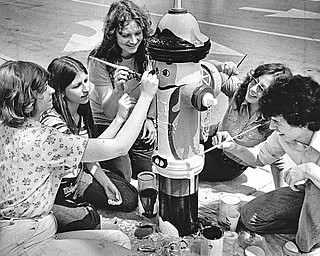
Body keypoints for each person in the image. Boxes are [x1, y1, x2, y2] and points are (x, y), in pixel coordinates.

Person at [0, 60, 158, 255]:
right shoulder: (45, 138)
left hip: (25, 233)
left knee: (120, 240)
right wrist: (146, 96)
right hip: (27, 241)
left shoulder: (6, 127)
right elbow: (119, 146)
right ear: (27, 99)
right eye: (43, 88)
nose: (51, 90)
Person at [212, 75, 320, 255]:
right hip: (309, 191)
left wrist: (309, 170)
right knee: (250, 217)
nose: (272, 126)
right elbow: (259, 157)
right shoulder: (283, 134)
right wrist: (232, 146)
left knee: (315, 191)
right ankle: (309, 224)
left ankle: (308, 243)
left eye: (278, 122)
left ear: (303, 122)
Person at [40, 56, 138, 233]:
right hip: (55, 192)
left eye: (86, 80)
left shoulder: (80, 110)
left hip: (77, 179)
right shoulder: (53, 122)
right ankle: (66, 212)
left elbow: (88, 159)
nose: (86, 89)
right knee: (90, 221)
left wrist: (105, 182)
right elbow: (93, 150)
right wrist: (119, 119)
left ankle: (81, 205)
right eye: (77, 86)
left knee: (129, 197)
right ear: (60, 91)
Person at [88, 0, 156, 181]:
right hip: (108, 123)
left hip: (136, 118)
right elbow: (109, 112)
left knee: (145, 173)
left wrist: (149, 118)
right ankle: (96, 166)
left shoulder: (148, 52)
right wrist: (118, 90)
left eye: (138, 33)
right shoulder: (100, 59)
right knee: (125, 177)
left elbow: (159, 88)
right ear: (113, 35)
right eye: (125, 35)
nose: (133, 41)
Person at [200, 63, 293, 187]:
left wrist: (279, 194)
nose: (253, 89)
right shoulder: (240, 90)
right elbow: (205, 72)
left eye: (262, 89)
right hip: (210, 137)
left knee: (186, 167)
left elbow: (277, 160)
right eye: (254, 81)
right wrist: (221, 66)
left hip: (227, 164)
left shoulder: (274, 121)